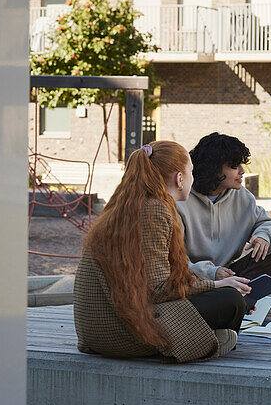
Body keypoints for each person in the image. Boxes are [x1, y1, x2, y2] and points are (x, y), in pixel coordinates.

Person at [74, 140, 252, 362]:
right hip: (122, 330)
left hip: (101, 328)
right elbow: (157, 290)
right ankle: (199, 341)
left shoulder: (131, 203)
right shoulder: (154, 210)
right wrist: (215, 285)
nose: (193, 179)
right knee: (230, 301)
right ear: (179, 178)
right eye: (191, 173)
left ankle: (206, 337)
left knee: (227, 296)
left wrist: (212, 286)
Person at [178, 132, 271, 283]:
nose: (242, 171)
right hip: (194, 276)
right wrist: (211, 272)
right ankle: (234, 295)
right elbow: (174, 258)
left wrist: (264, 237)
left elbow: (269, 224)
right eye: (234, 166)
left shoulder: (242, 197)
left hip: (228, 272)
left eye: (241, 164)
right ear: (214, 168)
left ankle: (239, 293)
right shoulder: (180, 199)